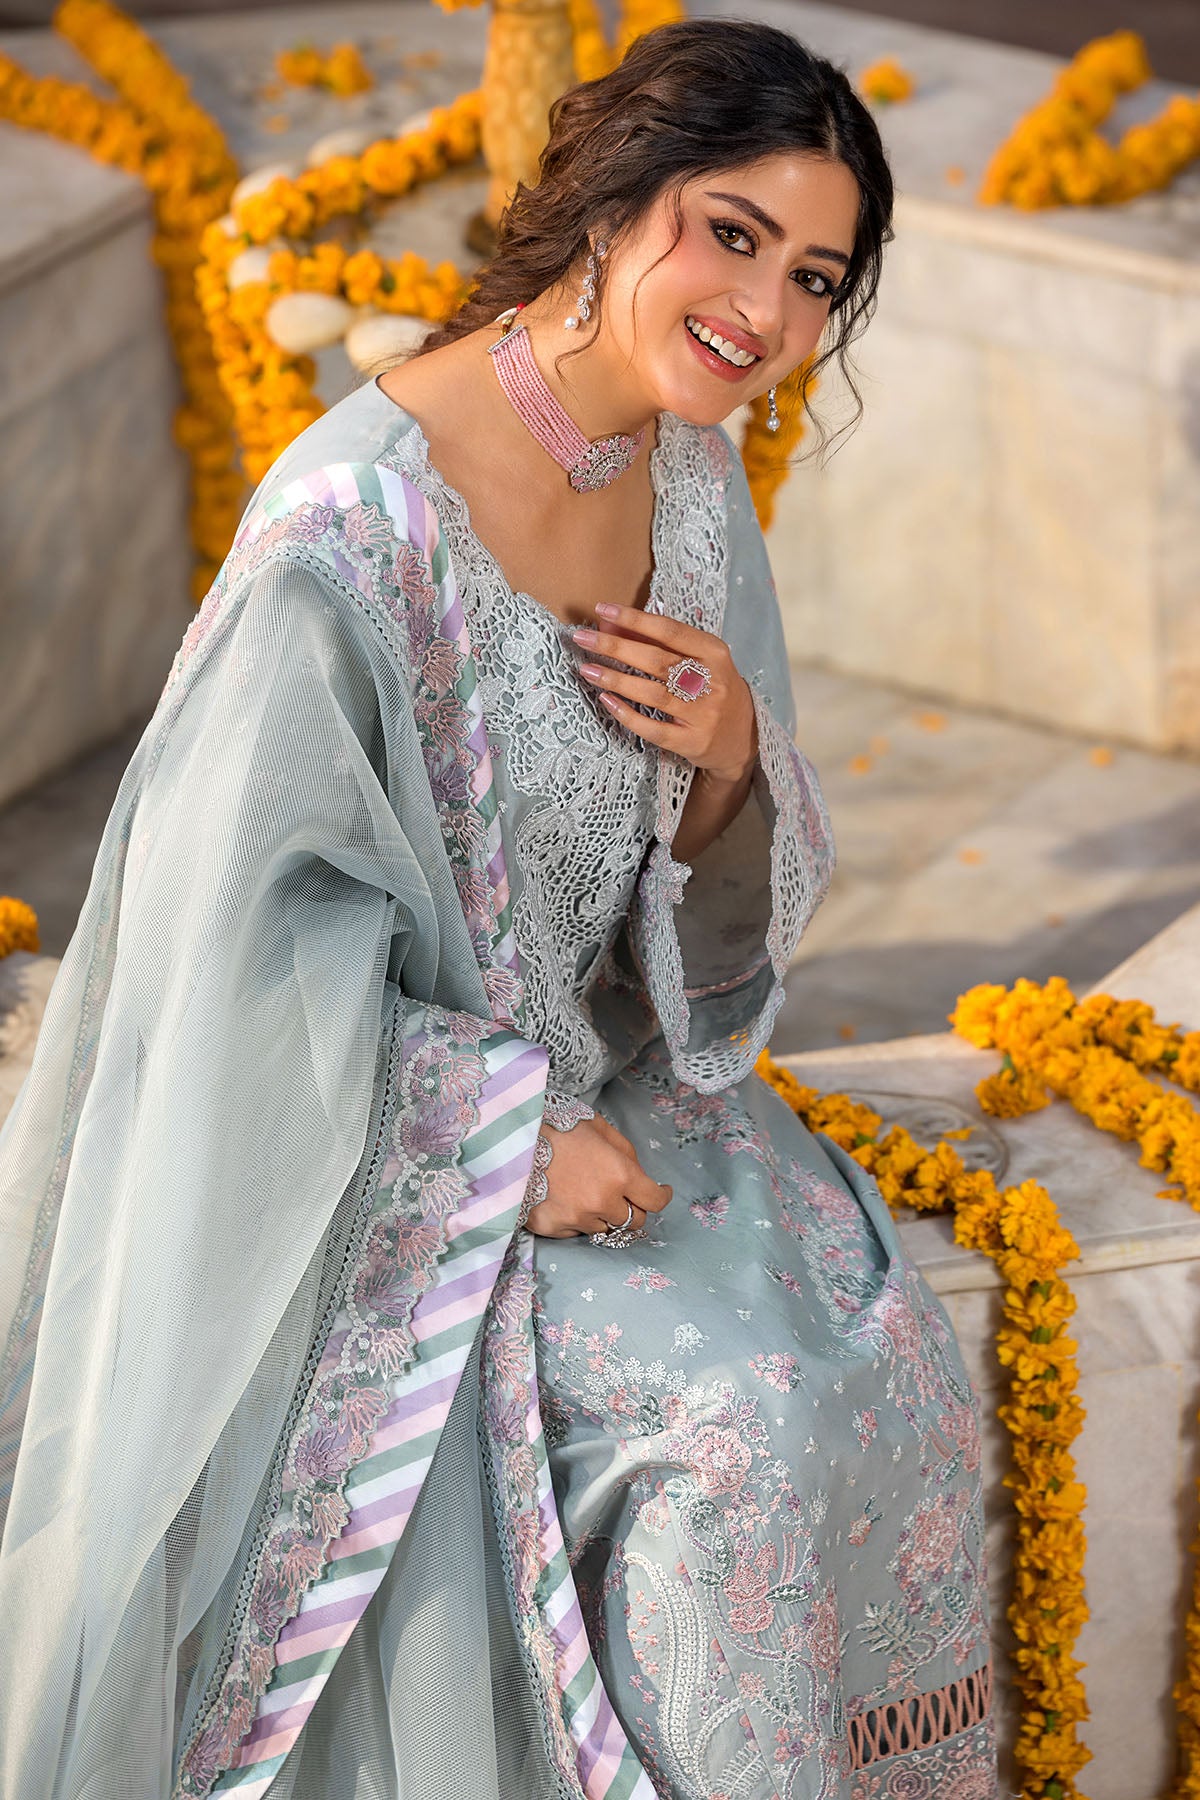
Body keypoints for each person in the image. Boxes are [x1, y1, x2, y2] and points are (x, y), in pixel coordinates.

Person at [0, 18, 997, 1799]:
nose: (765, 312)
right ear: (612, 204)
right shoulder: (353, 539)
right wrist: (504, 1141)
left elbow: (713, 912)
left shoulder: (685, 470)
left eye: (814, 276)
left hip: (629, 1099)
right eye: (731, 234)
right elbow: (219, 967)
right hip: (382, 1167)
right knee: (734, 1441)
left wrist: (728, 754)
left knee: (887, 1349)